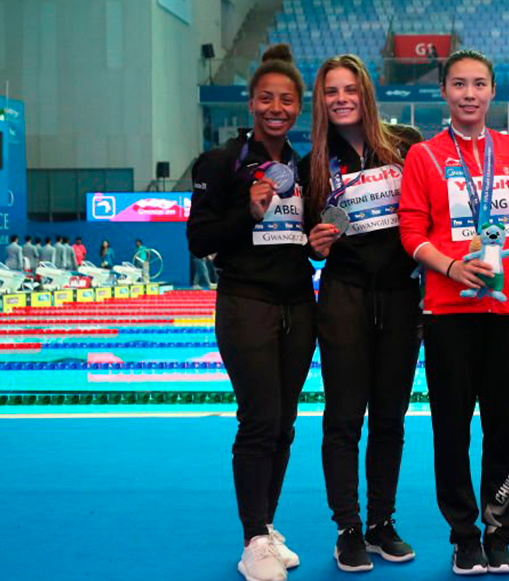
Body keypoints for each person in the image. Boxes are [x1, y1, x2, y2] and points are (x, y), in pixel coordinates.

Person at [399, 48, 509, 576]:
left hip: (508, 311)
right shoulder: (424, 156)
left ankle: (500, 531)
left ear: (493, 91)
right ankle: (463, 534)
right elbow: (412, 232)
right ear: (444, 92)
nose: (469, 94)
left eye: (479, 84)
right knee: (451, 428)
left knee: (503, 427)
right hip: (448, 311)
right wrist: (453, 269)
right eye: (459, 84)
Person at [186, 43, 317, 581]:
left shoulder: (304, 166)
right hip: (246, 304)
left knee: (284, 425)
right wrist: (250, 211)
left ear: (298, 107)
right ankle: (252, 540)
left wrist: (319, 242)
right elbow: (199, 240)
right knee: (259, 419)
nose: (276, 108)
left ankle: (265, 526)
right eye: (266, 98)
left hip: (298, 305)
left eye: (286, 100)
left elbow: (301, 242)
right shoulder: (221, 163)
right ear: (250, 102)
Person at [299, 54, 424, 572]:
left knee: (391, 417)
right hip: (345, 295)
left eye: (350, 88)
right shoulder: (312, 164)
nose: (342, 98)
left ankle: (381, 522)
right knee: (345, 416)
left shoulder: (406, 144)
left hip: (399, 295)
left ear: (366, 92)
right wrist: (316, 244)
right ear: (322, 101)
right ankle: (348, 526)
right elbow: (306, 239)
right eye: (331, 91)